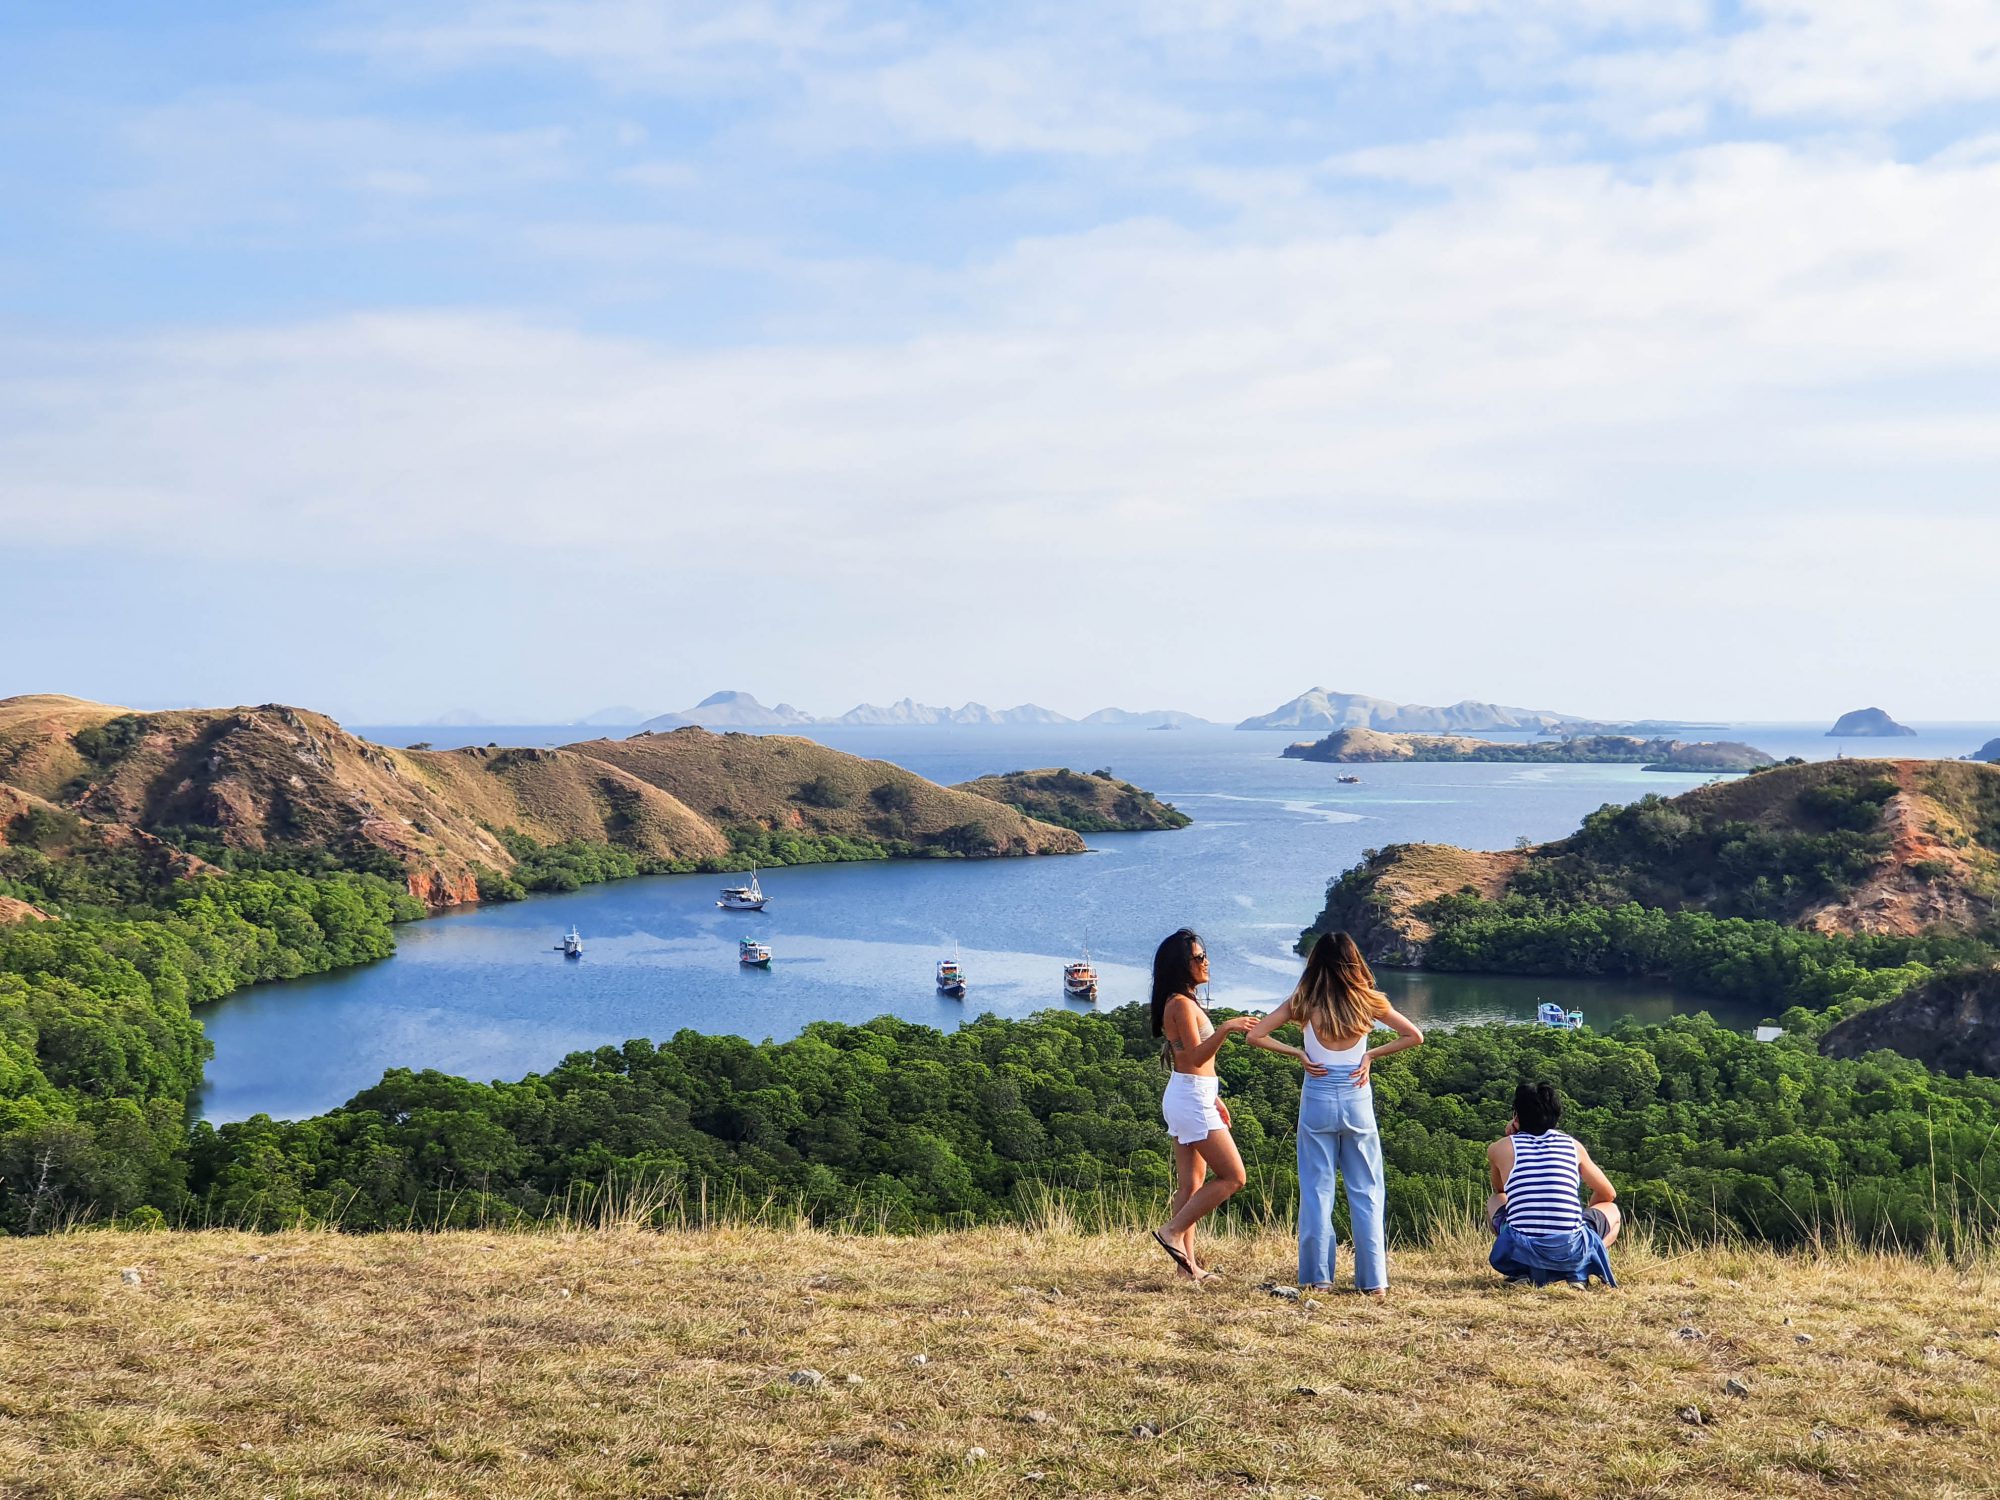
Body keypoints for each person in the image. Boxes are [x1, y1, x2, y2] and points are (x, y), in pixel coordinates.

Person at [1244, 931, 1423, 1296]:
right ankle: (1373, 1283)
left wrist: (1299, 1055)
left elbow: (1256, 1035)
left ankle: (1317, 1279)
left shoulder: (1304, 1001)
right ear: (1353, 960)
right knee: (1367, 1191)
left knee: (1316, 1190)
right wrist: (1370, 1055)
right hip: (1357, 1098)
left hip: (1318, 1097)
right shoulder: (1368, 1000)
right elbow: (1414, 1035)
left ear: (1316, 962)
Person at [1150, 928, 1257, 1282]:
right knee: (1234, 1176)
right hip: (1191, 1097)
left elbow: (1192, 1065)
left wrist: (1213, 1096)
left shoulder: (1183, 1001)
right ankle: (1172, 1231)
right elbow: (1195, 1058)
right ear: (1181, 966)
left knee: (1191, 1185)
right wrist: (1226, 1028)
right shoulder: (1180, 1004)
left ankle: (1187, 1269)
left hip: (1192, 1094)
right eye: (1197, 958)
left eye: (1203, 955)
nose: (1205, 961)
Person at [1486, 1081, 1620, 1287]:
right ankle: (1579, 1267)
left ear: (1517, 1116)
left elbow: (1500, 1189)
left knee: (1495, 1200)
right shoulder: (1573, 1146)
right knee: (1613, 1210)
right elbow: (1608, 1193)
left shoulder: (1499, 1148)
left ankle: (1524, 1271)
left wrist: (1511, 1138)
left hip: (1518, 1248)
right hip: (1570, 1248)